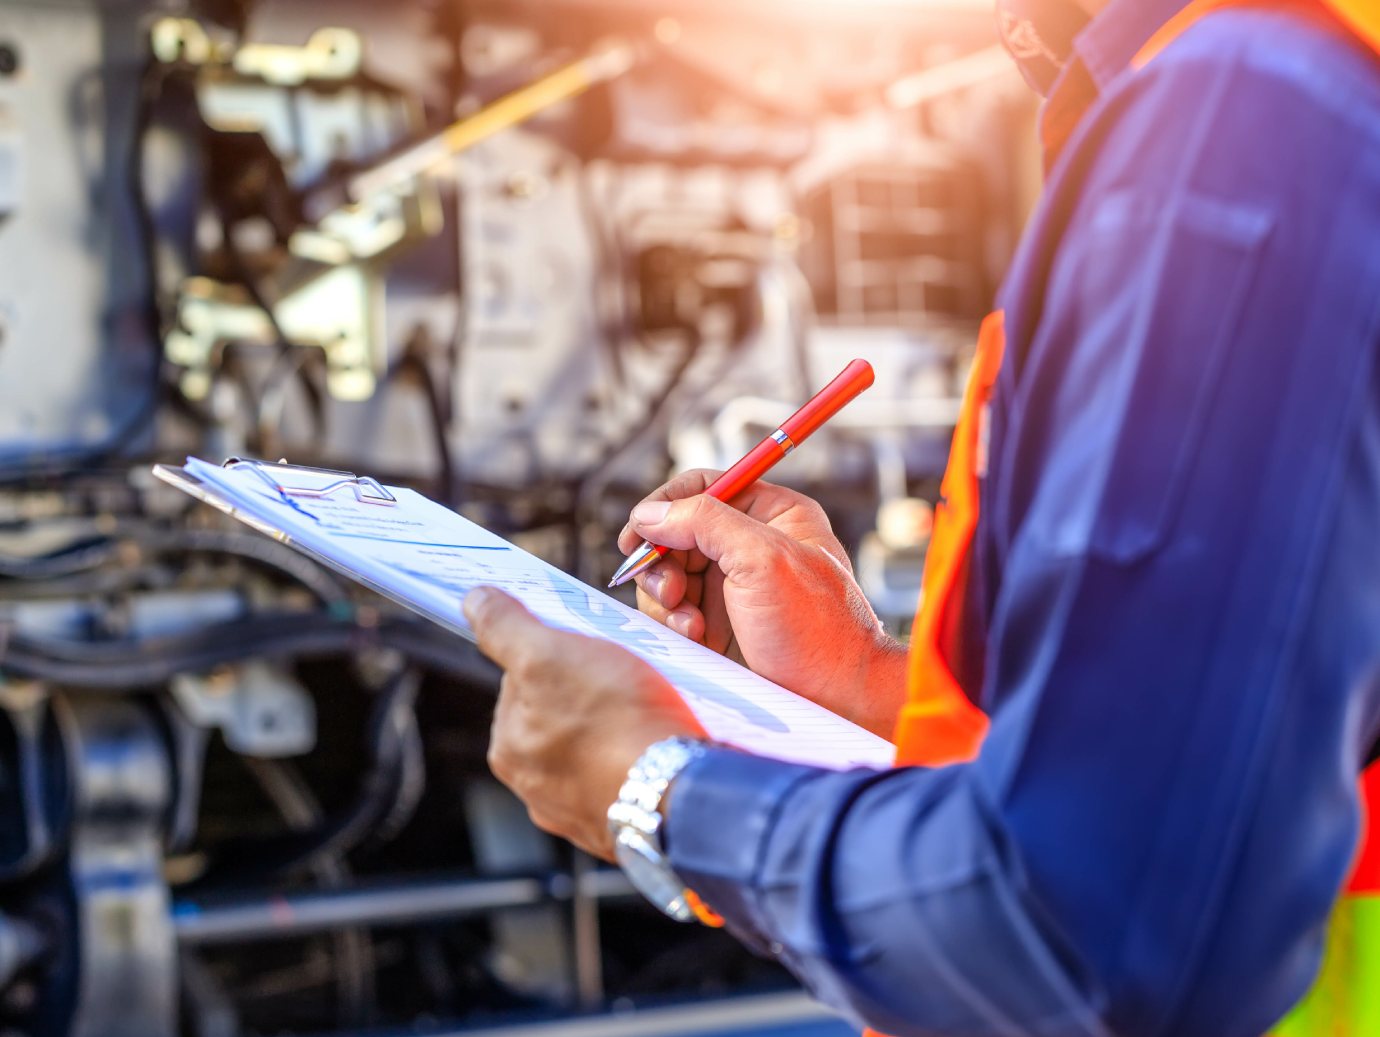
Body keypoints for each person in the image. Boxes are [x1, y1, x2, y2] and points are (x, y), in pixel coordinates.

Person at [460, 0, 1380, 1033]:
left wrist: (661, 792)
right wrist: (858, 682)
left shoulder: (1244, 113)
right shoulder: (1271, 90)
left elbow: (1092, 929)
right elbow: (1220, 748)